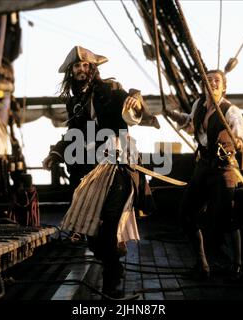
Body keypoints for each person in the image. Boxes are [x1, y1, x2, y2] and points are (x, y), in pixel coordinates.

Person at [42, 46, 154, 297]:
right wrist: (56, 153)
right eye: (77, 66)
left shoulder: (109, 90)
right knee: (92, 232)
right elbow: (73, 135)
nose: (81, 69)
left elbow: (132, 106)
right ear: (71, 72)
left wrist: (135, 97)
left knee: (108, 227)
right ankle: (114, 262)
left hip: (116, 168)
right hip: (89, 172)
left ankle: (112, 285)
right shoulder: (74, 102)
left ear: (93, 69)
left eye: (86, 65)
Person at [165, 69, 243, 279]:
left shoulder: (229, 111)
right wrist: (175, 116)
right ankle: (202, 265)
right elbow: (192, 125)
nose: (212, 83)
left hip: (223, 169)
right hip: (203, 166)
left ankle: (237, 266)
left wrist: (237, 142)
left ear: (223, 87)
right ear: (203, 85)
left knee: (226, 218)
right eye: (208, 80)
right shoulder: (198, 106)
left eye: (216, 81)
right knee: (186, 214)